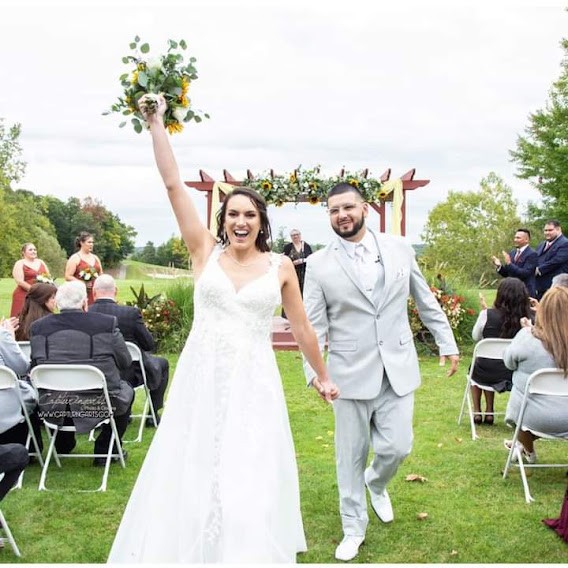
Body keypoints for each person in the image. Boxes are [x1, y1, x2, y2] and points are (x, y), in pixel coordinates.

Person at [107, 94, 339, 564]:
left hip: (254, 380)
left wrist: (322, 375)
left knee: (248, 466)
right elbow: (174, 186)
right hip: (202, 375)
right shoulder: (203, 253)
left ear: (261, 223)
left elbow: (302, 329)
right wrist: (155, 123)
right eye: (233, 213)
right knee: (193, 462)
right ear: (223, 220)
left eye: (249, 215)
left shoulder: (281, 267)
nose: (240, 221)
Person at [302, 182, 460, 562]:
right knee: (350, 457)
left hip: (398, 369)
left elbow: (423, 298)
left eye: (348, 207)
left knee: (398, 446)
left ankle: (377, 482)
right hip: (346, 377)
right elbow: (311, 326)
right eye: (334, 209)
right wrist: (315, 374)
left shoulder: (399, 249)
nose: (342, 215)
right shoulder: (319, 264)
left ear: (365, 209)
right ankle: (353, 528)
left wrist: (448, 341)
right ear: (329, 215)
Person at [29, 281, 133, 463]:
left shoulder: (38, 327)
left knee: (61, 393)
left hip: (52, 404)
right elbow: (125, 361)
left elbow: (35, 365)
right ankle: (105, 451)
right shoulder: (106, 324)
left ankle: (62, 443)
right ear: (85, 302)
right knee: (126, 391)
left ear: (58, 303)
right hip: (100, 403)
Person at [90, 274, 169, 425]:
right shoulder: (130, 313)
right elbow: (148, 344)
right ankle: (152, 414)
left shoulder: (86, 313)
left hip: (97, 371)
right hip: (130, 371)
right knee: (162, 363)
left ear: (94, 292)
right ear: (116, 291)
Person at [503, 286, 568, 464]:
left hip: (533, 417)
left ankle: (529, 452)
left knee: (520, 392)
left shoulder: (527, 337)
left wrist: (527, 331)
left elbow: (508, 362)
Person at [470, 278, 533, 425]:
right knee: (485, 365)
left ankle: (481, 411)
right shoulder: (528, 319)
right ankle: (489, 411)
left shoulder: (487, 315)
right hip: (514, 373)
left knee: (478, 367)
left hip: (486, 372)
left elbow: (476, 337)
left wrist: (485, 313)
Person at [0, 317, 39, 448]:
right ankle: (33, 446)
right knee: (30, 393)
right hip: (6, 413)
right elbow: (22, 368)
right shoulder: (2, 335)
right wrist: (10, 338)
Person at [491, 228, 537, 297]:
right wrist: (499, 266)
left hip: (525, 292)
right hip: (512, 292)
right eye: (515, 237)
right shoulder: (512, 252)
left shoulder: (532, 254)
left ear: (526, 240)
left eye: (518, 238)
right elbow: (508, 274)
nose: (515, 240)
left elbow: (524, 274)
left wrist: (509, 264)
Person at [10, 243, 51, 318]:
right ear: (23, 252)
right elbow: (20, 281)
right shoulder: (19, 263)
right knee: (22, 318)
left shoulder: (41, 262)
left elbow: (48, 276)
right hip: (23, 295)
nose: (33, 251)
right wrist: (34, 290)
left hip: (40, 295)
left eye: (35, 250)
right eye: (30, 250)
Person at [64, 232, 103, 306]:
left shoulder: (95, 258)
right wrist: (82, 283)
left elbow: (101, 273)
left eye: (92, 242)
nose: (91, 244)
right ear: (81, 243)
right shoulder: (75, 258)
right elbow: (67, 276)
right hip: (80, 292)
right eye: (89, 242)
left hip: (96, 292)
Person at [534, 219, 568, 300]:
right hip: (539, 288)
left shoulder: (565, 243)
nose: (547, 233)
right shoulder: (541, 244)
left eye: (550, 230)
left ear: (558, 229)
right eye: (545, 230)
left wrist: (538, 270)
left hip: (556, 289)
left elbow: (556, 261)